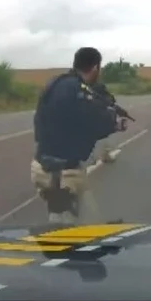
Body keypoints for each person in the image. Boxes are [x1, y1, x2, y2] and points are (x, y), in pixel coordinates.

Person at [31, 47, 125, 224]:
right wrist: (115, 123)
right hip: (63, 174)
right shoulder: (78, 90)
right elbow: (92, 121)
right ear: (95, 68)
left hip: (43, 164)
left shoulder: (57, 82)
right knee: (74, 232)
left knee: (82, 221)